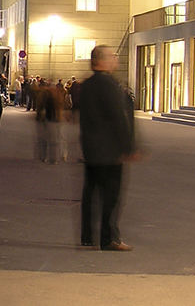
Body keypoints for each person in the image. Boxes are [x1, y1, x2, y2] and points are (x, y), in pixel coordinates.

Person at [78, 45, 136, 252]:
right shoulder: (108, 85)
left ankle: (87, 236)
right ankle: (109, 238)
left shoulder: (87, 85)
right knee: (111, 196)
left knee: (90, 193)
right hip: (109, 151)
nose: (115, 59)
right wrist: (128, 147)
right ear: (101, 61)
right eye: (112, 56)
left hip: (91, 149)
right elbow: (118, 117)